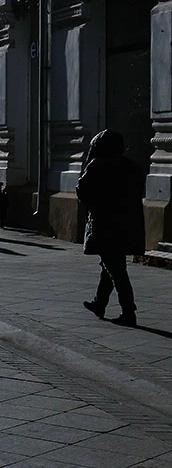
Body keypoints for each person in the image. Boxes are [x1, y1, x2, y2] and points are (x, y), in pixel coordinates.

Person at [79, 129, 142, 327]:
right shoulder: (130, 166)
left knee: (116, 270)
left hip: (106, 225)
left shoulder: (97, 165)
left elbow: (83, 191)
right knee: (110, 265)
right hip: (126, 225)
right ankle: (100, 303)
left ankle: (129, 312)